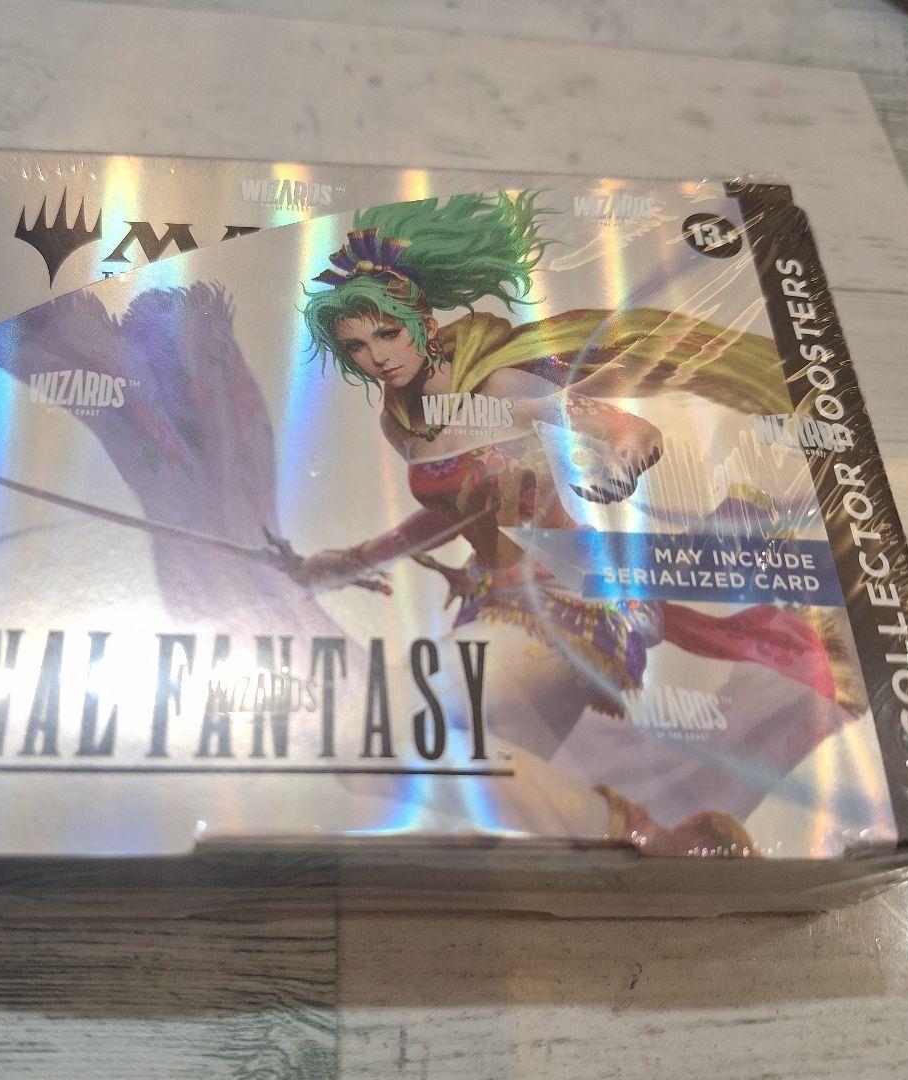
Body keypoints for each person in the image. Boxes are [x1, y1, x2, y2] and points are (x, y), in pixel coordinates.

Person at [291, 192, 864, 852]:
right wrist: (353, 559)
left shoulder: (499, 387)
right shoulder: (400, 420)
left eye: (387, 333)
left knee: (370, 733)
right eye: (357, 346)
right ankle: (662, 845)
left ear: (420, 318)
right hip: (492, 606)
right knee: (440, 783)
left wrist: (621, 463)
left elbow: (632, 431)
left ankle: (648, 836)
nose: (378, 356)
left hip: (563, 605)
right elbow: (454, 512)